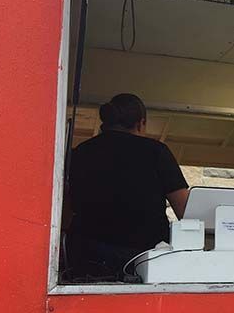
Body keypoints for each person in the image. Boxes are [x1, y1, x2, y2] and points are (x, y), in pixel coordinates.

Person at [65, 93, 189, 279]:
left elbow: (65, 207)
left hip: (87, 254)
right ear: (141, 123)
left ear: (105, 124)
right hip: (142, 258)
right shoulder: (156, 151)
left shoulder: (80, 152)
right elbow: (185, 210)